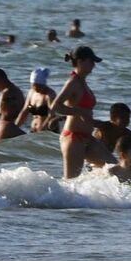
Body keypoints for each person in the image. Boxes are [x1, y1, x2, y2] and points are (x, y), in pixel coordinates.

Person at [51, 47, 106, 179]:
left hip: (87, 137)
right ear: (81, 61)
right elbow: (55, 106)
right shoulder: (73, 82)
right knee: (71, 181)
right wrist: (79, 112)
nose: (93, 65)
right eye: (91, 61)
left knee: (113, 169)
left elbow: (85, 112)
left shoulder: (82, 82)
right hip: (73, 138)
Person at [16, 68, 58, 134]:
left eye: (38, 86)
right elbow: (24, 111)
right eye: (33, 85)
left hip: (47, 131)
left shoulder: (50, 95)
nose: (35, 88)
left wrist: (42, 130)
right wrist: (16, 127)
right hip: (33, 130)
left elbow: (52, 115)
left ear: (43, 84)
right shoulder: (31, 93)